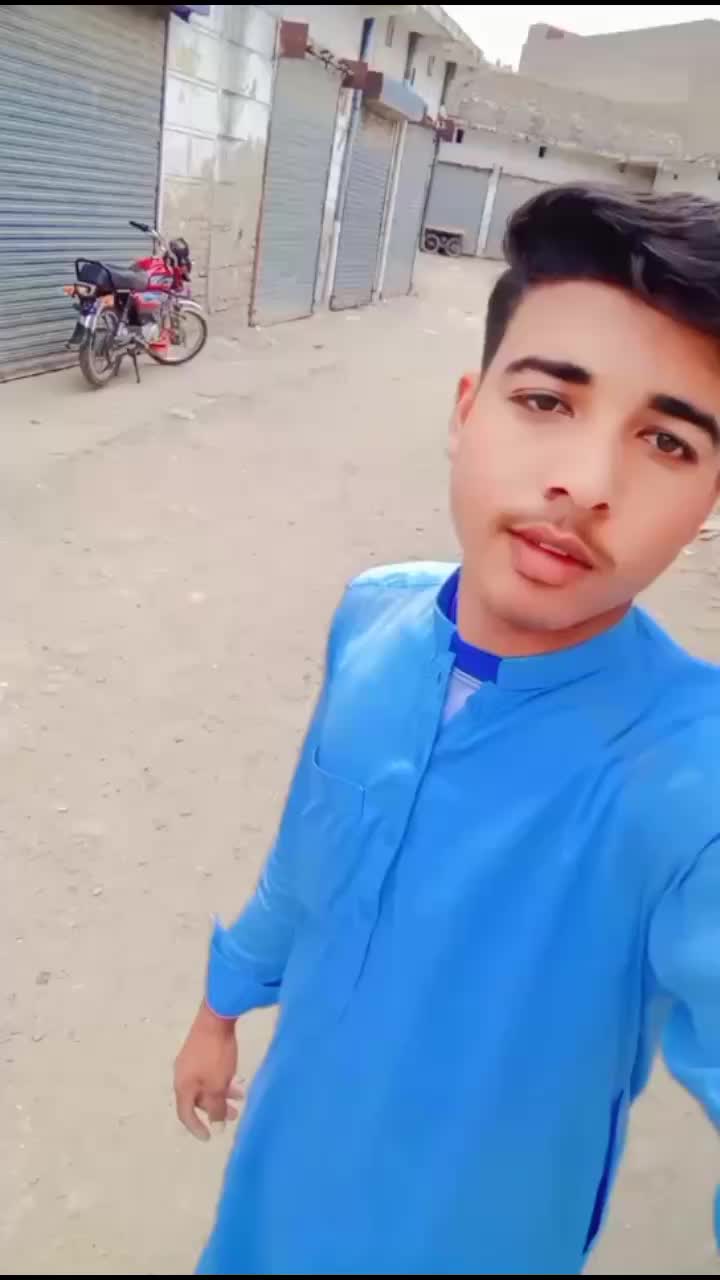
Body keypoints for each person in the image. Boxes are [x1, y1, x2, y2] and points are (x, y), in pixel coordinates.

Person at [174, 184, 720, 1275]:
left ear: (710, 499)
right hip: (273, 1191)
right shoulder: (374, 616)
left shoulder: (692, 774)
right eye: (548, 400)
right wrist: (221, 1007)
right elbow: (310, 851)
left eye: (666, 441)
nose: (585, 484)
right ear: (467, 409)